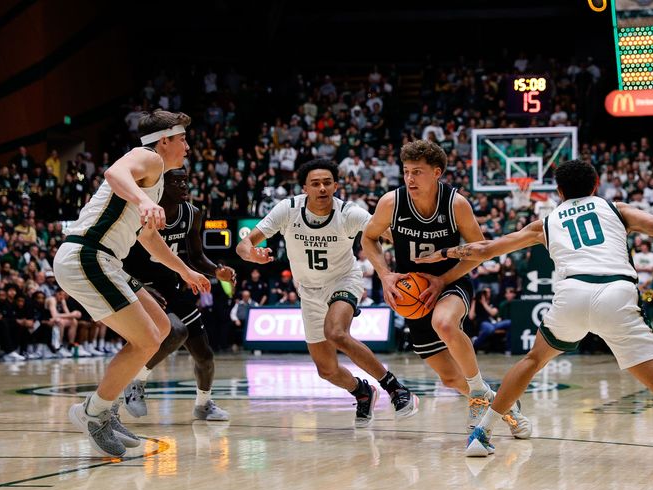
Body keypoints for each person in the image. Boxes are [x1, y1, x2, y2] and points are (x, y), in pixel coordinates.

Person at [417, 159, 653, 478]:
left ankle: (482, 432)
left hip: (571, 295)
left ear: (558, 192)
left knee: (532, 360)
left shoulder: (545, 222)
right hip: (616, 294)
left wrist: (442, 254)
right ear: (596, 183)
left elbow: (483, 249)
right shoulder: (614, 208)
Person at [54, 109, 210, 457]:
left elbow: (149, 238)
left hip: (105, 259)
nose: (187, 145)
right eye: (182, 139)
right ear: (164, 140)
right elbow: (113, 172)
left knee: (160, 328)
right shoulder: (147, 157)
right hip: (87, 255)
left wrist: (185, 271)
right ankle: (93, 413)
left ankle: (105, 410)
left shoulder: (153, 183)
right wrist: (141, 200)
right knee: (146, 339)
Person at [361, 139, 530, 437]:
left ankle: (478, 393)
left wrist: (441, 279)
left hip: (451, 281)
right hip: (413, 291)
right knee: (451, 378)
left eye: (418, 172)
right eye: (406, 172)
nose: (410, 179)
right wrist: (386, 275)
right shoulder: (392, 202)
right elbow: (368, 238)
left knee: (445, 322)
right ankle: (504, 407)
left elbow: (481, 251)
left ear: (437, 172)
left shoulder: (456, 204)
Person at [237, 158, 419, 427]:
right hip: (308, 291)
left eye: (326, 183)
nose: (322, 188)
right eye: (315, 184)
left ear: (335, 185)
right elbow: (243, 245)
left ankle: (396, 388)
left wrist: (414, 245)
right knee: (326, 370)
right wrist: (252, 255)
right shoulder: (287, 209)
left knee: (336, 333)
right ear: (305, 188)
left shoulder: (348, 212)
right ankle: (362, 391)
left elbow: (388, 234)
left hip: (344, 280)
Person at [122, 169, 237, 422]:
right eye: (177, 181)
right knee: (176, 331)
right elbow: (118, 257)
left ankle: (203, 405)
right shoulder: (141, 213)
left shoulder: (192, 213)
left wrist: (217, 271)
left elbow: (196, 256)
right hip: (140, 285)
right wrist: (136, 284)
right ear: (159, 184)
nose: (184, 184)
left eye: (186, 179)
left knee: (205, 355)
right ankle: (135, 381)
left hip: (172, 285)